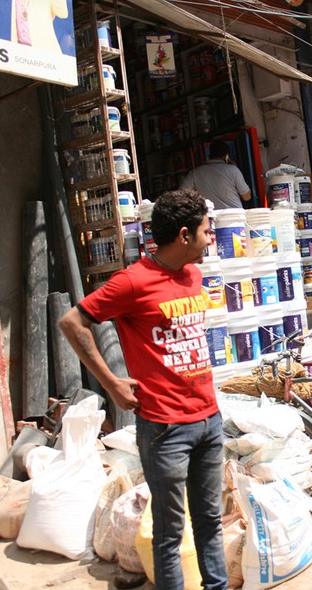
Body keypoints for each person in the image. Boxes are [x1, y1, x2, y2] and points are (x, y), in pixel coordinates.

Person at [59, 190, 227, 590]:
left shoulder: (194, 275)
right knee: (170, 533)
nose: (211, 240)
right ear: (184, 235)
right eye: (207, 231)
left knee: (210, 521)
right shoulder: (133, 281)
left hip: (209, 419)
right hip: (166, 429)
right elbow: (72, 322)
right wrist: (110, 382)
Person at [180, 142, 251, 210]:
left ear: (209, 154)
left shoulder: (195, 173)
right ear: (226, 156)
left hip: (211, 217)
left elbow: (181, 194)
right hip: (235, 217)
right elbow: (246, 197)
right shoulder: (233, 170)